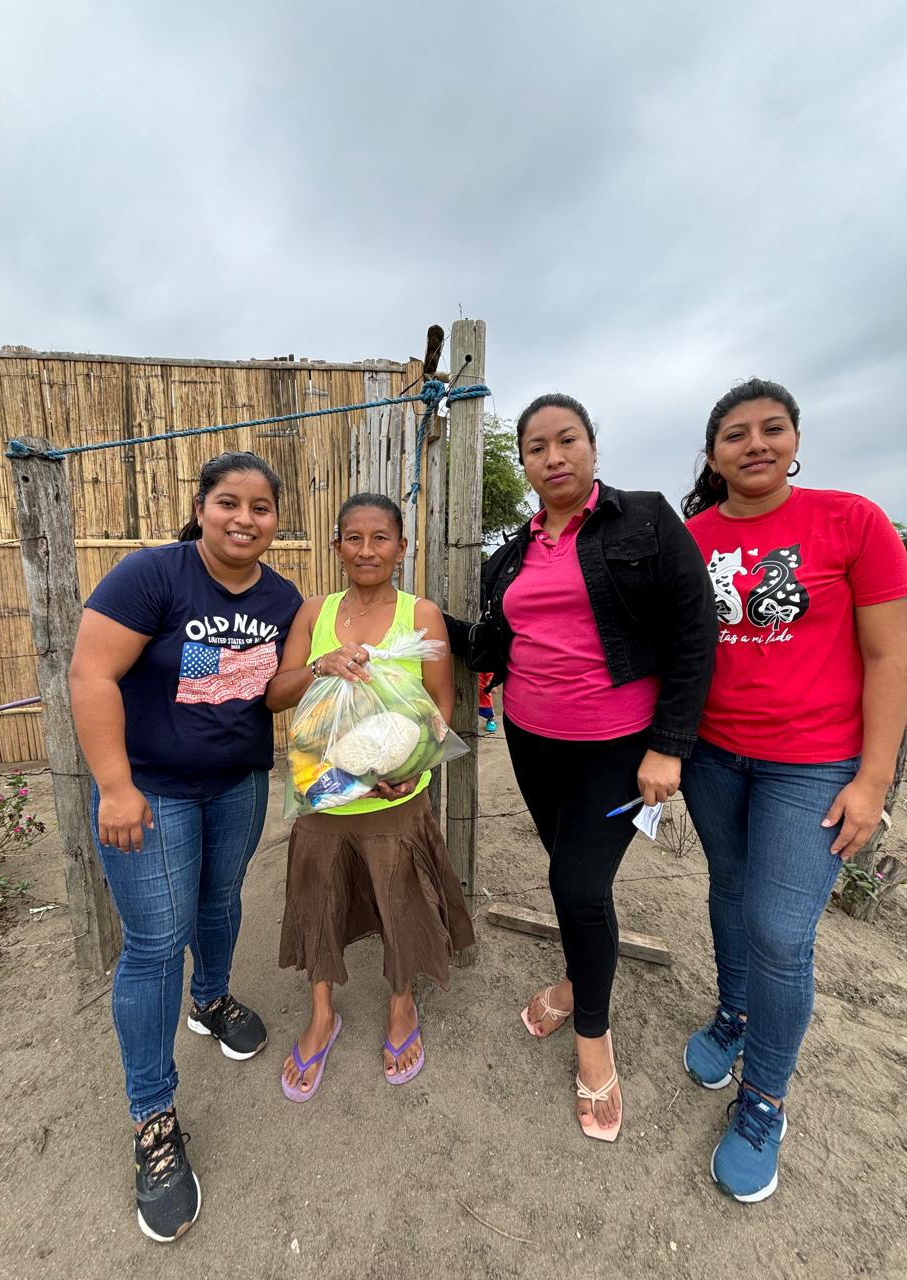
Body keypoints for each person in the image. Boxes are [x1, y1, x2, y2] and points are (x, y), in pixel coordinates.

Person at [445, 393, 717, 1140]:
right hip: (533, 740)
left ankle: (592, 1034)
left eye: (567, 440)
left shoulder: (646, 519)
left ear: (593, 447)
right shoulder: (513, 555)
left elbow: (695, 632)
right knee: (571, 874)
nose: (553, 457)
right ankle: (575, 979)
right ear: (524, 464)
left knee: (577, 884)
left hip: (619, 746)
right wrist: (421, 619)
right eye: (536, 448)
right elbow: (490, 648)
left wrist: (671, 744)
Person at [678, 378, 907, 1201]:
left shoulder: (853, 522)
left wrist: (874, 780)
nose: (755, 444)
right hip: (712, 756)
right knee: (729, 888)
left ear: (795, 440)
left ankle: (765, 1099)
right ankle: (734, 1014)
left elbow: (889, 656)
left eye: (771, 428)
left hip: (813, 765)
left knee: (780, 930)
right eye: (735, 434)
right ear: (713, 455)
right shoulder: (692, 539)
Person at [69, 451, 302, 1243]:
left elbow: (270, 691)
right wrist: (115, 785)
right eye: (229, 502)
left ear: (276, 519)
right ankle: (153, 1118)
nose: (245, 518)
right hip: (152, 790)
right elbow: (91, 676)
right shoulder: (152, 576)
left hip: (237, 783)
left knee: (220, 899)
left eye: (261, 507)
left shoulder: (281, 598)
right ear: (202, 508)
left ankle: (212, 999)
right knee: (154, 944)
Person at [266, 493, 475, 1100]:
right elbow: (277, 695)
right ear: (336, 547)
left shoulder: (421, 615)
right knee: (317, 898)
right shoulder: (314, 613)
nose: (366, 550)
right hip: (324, 792)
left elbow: (440, 705)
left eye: (380, 538)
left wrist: (413, 769)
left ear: (402, 548)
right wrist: (321, 665)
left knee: (400, 901)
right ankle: (321, 1013)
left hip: (396, 797)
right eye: (353, 538)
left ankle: (401, 1003)